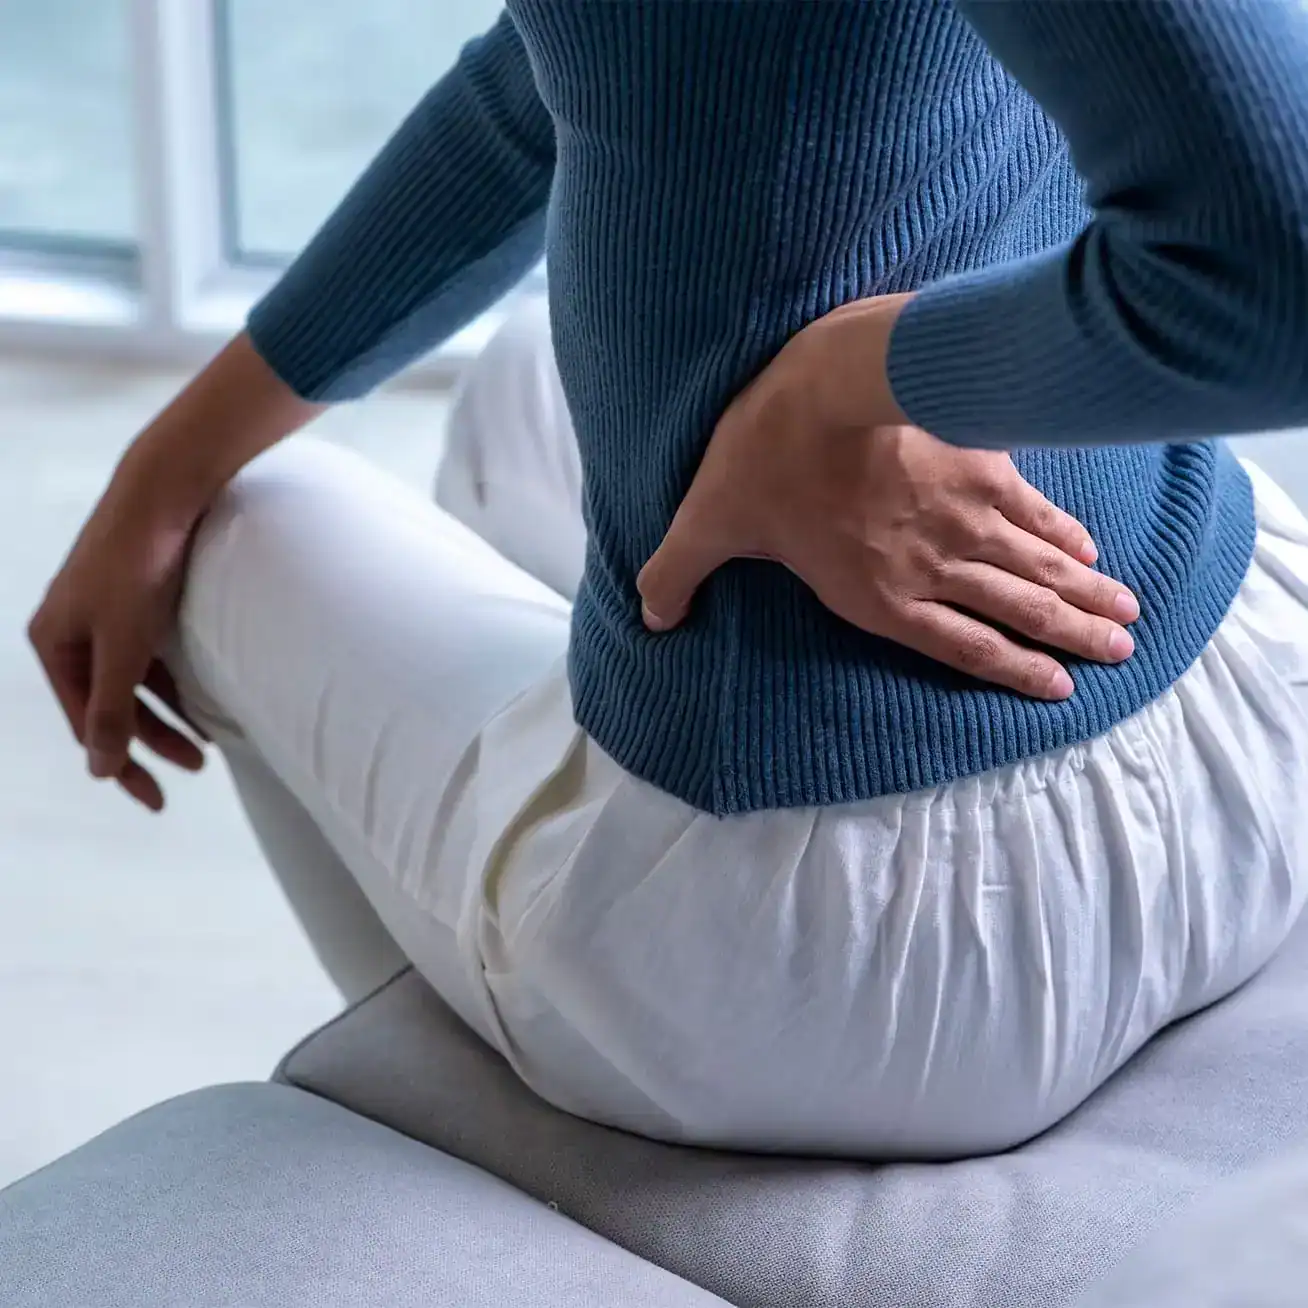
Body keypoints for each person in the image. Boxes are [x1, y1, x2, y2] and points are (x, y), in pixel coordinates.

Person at [28, 2, 1308, 1159]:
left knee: (247, 519)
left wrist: (836, 388)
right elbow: (566, 72)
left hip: (873, 953)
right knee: (518, 398)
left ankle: (484, 1134)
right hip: (1242, 696)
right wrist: (159, 460)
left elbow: (1279, 269)